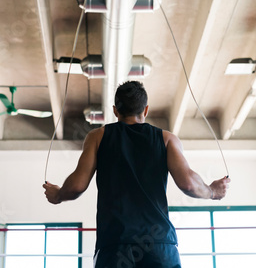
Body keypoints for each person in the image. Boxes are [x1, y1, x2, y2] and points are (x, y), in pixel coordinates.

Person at [43, 81, 230, 268]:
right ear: (146, 110)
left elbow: (77, 185)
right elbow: (188, 184)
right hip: (158, 245)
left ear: (116, 111)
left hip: (115, 245)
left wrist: (58, 195)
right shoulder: (166, 139)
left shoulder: (97, 137)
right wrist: (212, 191)